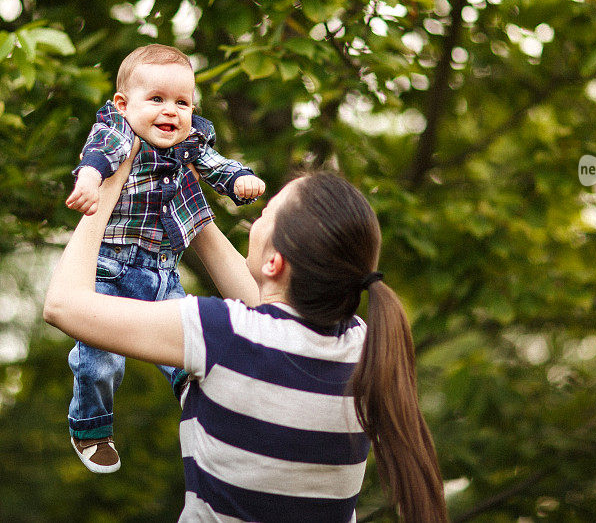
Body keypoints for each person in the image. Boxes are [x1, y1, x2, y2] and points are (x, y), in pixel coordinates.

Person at [45, 148, 448, 522]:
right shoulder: (363, 348)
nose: (256, 221)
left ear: (275, 261)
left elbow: (62, 305)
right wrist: (178, 185)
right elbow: (268, 308)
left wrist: (110, 183)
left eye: (265, 215)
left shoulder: (221, 333)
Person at [63, 44, 266, 473]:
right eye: (156, 99)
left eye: (181, 102)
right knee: (100, 364)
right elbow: (98, 156)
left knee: (190, 356)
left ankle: (207, 409)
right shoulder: (119, 131)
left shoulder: (190, 141)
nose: (169, 111)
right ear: (123, 104)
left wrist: (240, 179)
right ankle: (91, 426)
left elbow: (214, 163)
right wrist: (88, 180)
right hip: (109, 270)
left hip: (161, 272)